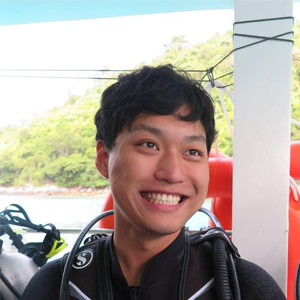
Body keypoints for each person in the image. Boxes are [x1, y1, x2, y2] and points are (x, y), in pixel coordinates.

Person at [21, 65, 286, 300]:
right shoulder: (54, 286)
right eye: (149, 145)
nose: (172, 173)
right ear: (104, 158)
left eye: (192, 152)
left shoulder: (248, 287)